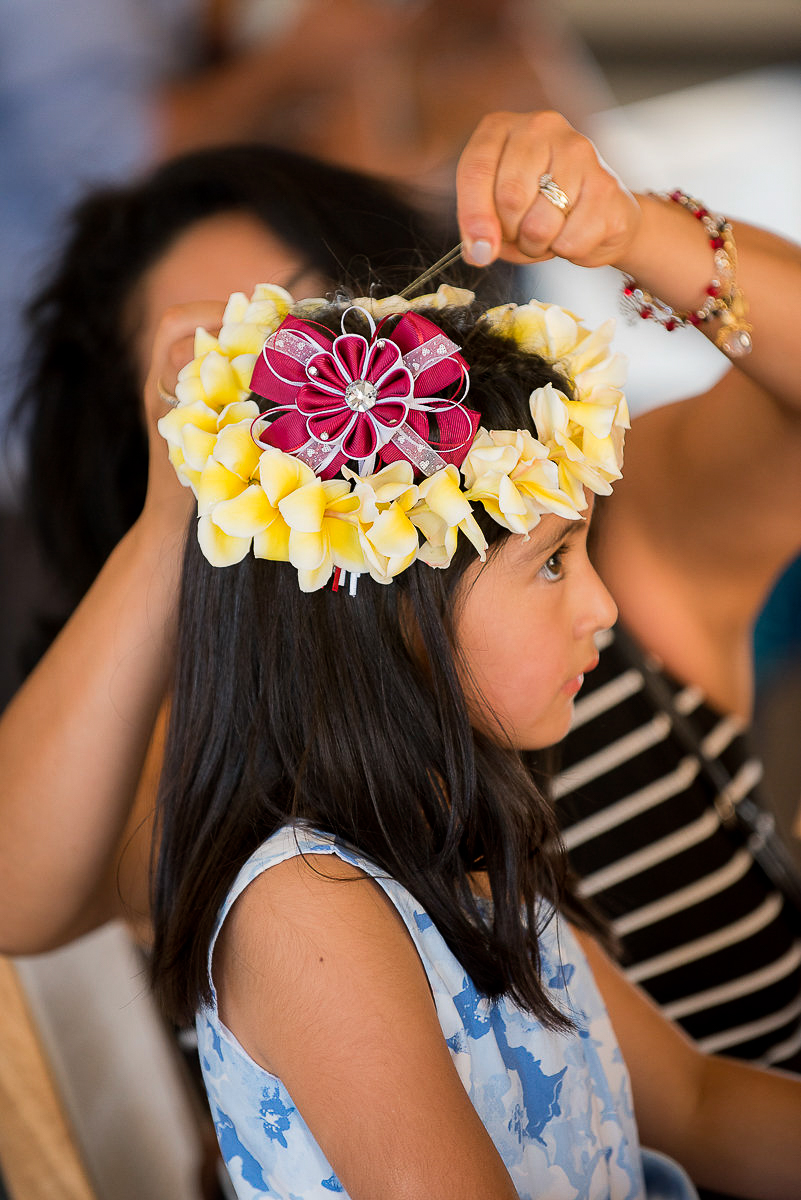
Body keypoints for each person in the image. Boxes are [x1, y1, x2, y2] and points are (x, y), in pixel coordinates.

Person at [147, 276, 801, 1197]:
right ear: (397, 612)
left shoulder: (459, 848)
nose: (602, 607)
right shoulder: (309, 907)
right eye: (552, 563)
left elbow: (694, 1103)